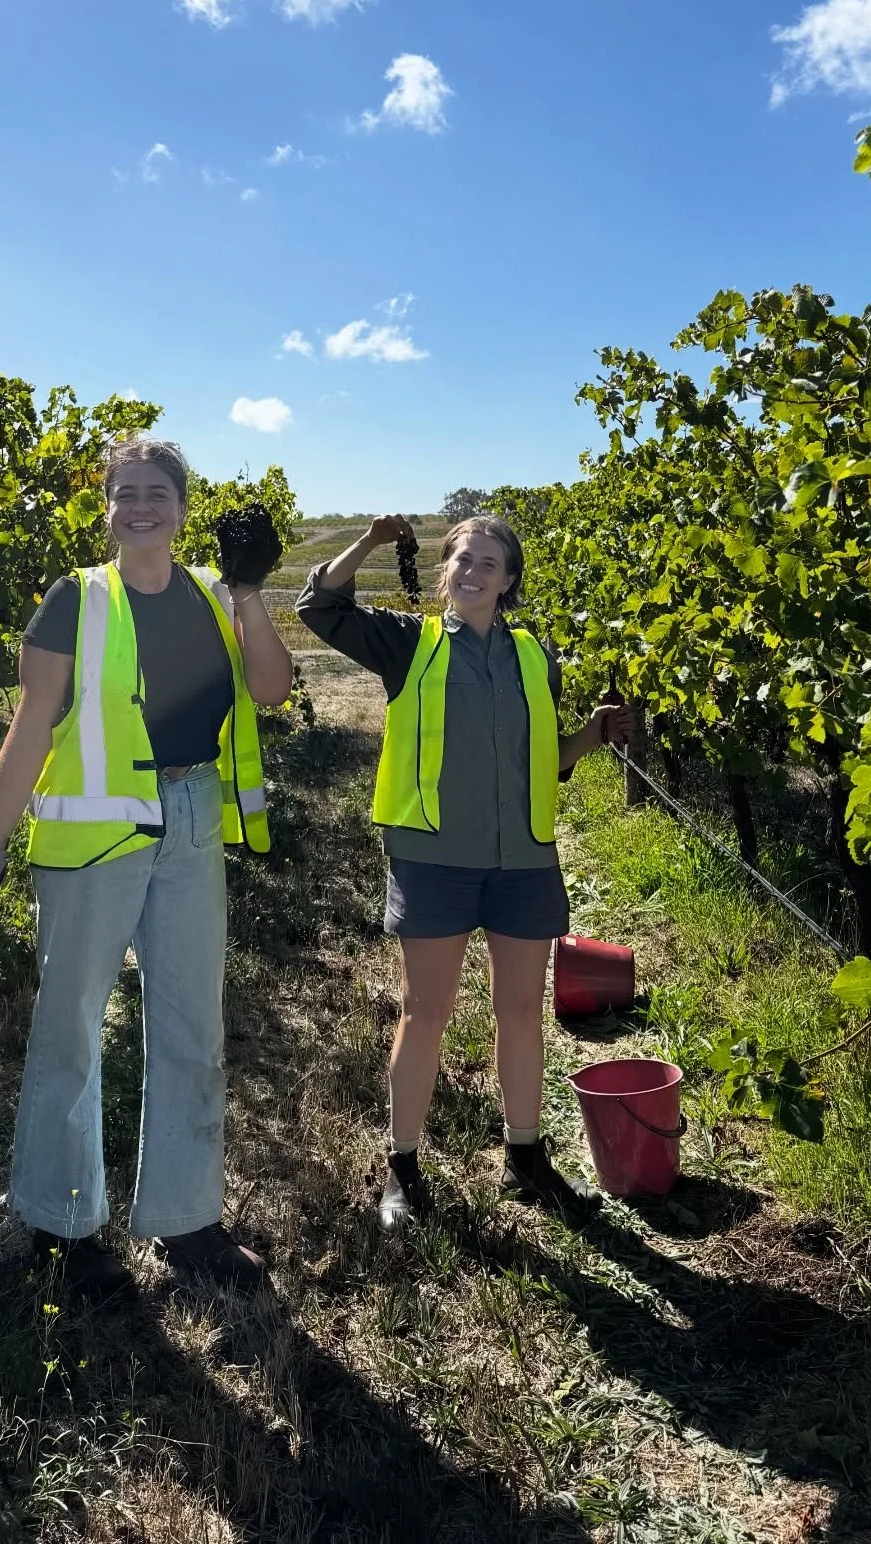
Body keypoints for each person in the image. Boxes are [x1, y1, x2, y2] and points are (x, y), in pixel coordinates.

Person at [0, 439, 293, 1298]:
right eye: (124, 493)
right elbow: (30, 726)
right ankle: (60, 1225)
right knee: (69, 1027)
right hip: (92, 841)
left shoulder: (217, 598)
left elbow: (270, 689)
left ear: (183, 508)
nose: (140, 506)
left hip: (190, 825)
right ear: (106, 508)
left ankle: (186, 1219)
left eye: (157, 492)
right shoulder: (76, 598)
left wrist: (251, 594)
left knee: (193, 1023)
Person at [296, 512, 628, 1232]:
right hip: (434, 856)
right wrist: (374, 543)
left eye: (487, 562)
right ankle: (402, 1166)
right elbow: (318, 605)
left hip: (523, 859)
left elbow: (546, 760)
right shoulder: (408, 643)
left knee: (521, 1013)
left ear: (508, 579)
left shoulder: (537, 655)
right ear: (445, 570)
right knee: (426, 1013)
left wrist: (593, 734)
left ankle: (526, 1157)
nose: (470, 571)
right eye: (460, 559)